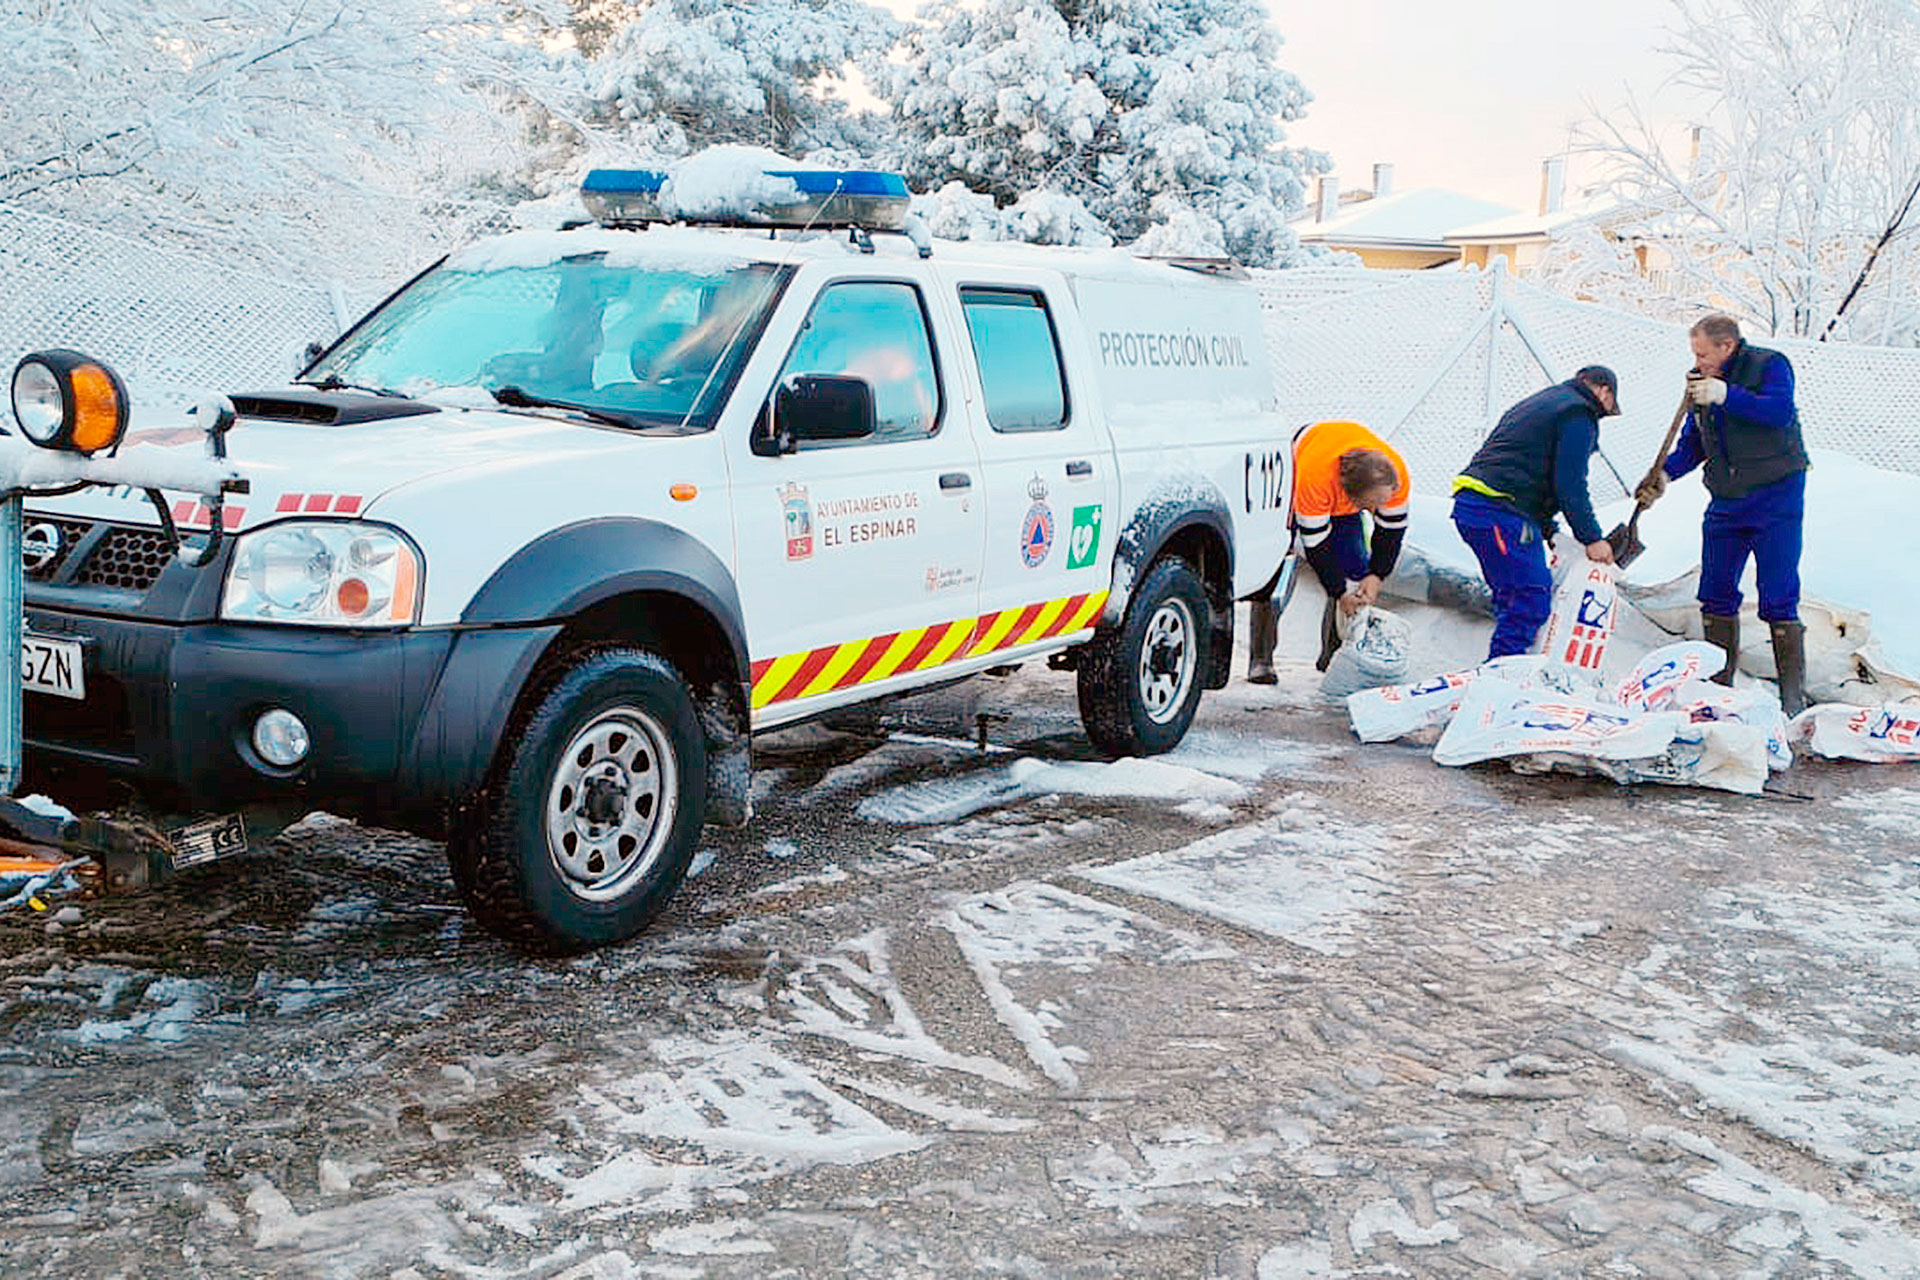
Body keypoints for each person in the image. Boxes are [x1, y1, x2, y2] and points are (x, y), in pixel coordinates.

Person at [1634, 313, 1810, 714]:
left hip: (1776, 496)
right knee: (1714, 593)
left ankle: (1792, 702)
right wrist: (1664, 474)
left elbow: (1778, 412)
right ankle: (1717, 691)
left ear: (1727, 346)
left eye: (1703, 354)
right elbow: (1693, 443)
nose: (1698, 362)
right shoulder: (1702, 387)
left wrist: (1725, 394)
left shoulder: (1769, 366)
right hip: (1726, 501)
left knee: (1778, 596)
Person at [1450, 366, 1620, 661]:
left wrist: (1548, 529)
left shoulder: (1544, 401)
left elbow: (1529, 465)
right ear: (1604, 391)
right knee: (1529, 598)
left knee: (1513, 597)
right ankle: (1500, 680)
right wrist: (1592, 537)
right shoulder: (1580, 414)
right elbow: (1569, 482)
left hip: (1480, 506)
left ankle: (1503, 674)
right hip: (1498, 510)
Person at [1247, 419, 1410, 683]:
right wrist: (1338, 591)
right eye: (1371, 505)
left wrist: (1376, 575)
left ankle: (1333, 658)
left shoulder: (1395, 479)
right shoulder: (1315, 481)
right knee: (1275, 569)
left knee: (1357, 569)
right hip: (1302, 465)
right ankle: (1261, 661)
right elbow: (1318, 550)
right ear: (1351, 498)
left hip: (1347, 481)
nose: (1377, 510)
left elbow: (1391, 532)